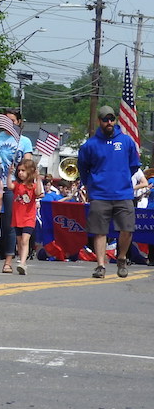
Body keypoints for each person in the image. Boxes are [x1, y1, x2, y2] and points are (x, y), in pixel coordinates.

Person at [78, 105, 142, 279]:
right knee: (100, 231)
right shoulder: (90, 145)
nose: (109, 122)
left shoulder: (126, 141)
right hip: (100, 194)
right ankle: (100, 265)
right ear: (99, 121)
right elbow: (83, 168)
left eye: (112, 119)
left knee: (127, 229)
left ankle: (121, 258)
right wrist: (90, 185)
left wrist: (122, 178)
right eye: (105, 119)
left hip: (123, 193)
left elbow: (134, 165)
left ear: (115, 120)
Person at [0, 108, 33, 271]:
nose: (9, 123)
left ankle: (8, 260)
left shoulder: (24, 141)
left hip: (13, 186)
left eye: (12, 120)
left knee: (10, 224)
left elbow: (28, 166)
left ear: (18, 122)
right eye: (5, 120)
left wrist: (28, 185)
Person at [11, 158, 40, 275]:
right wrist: (9, 174)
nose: (20, 173)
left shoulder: (33, 186)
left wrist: (38, 178)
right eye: (19, 171)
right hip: (17, 217)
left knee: (24, 240)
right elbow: (10, 186)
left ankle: (22, 263)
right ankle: (22, 260)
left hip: (28, 217)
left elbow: (38, 193)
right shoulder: (17, 184)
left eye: (23, 170)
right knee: (19, 241)